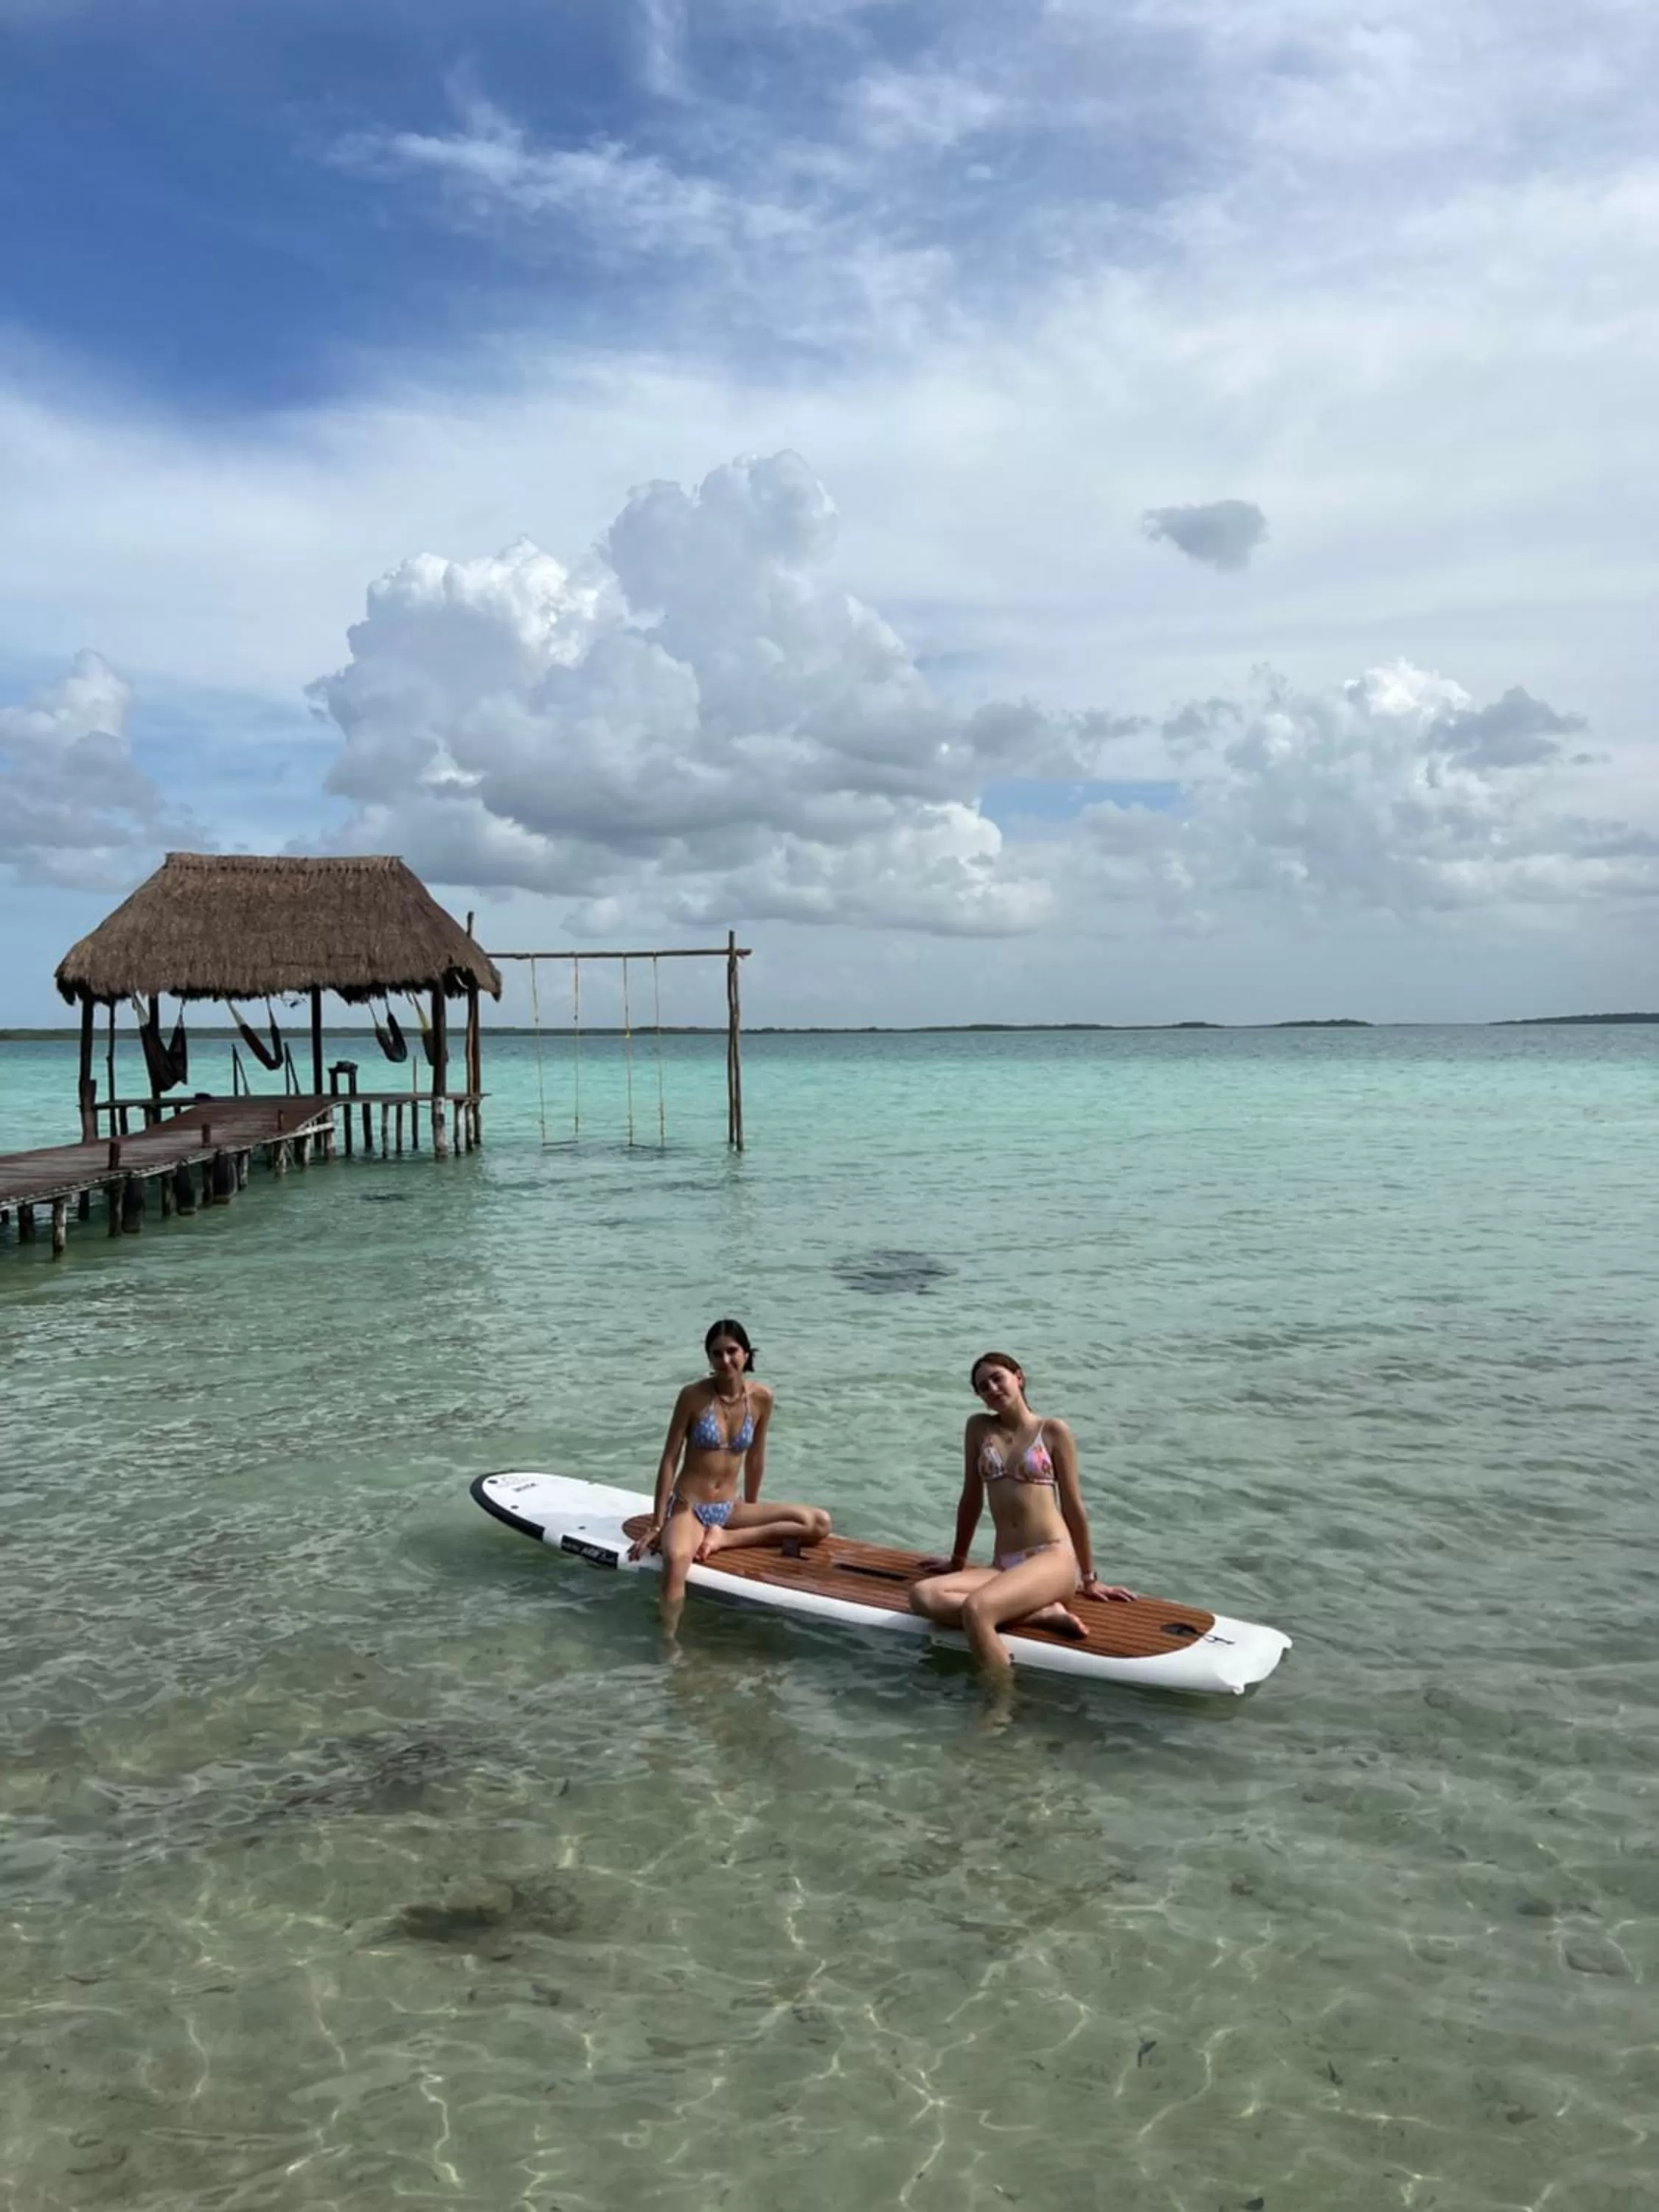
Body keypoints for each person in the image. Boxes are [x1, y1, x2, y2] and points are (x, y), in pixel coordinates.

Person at [909, 1350, 1134, 1682]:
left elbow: (1073, 1507)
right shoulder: (978, 1428)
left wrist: (1089, 1578)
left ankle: (1001, 1707)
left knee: (977, 1609)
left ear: (1019, 1377)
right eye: (983, 1386)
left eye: (997, 1378)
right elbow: (971, 1497)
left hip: (1052, 1557)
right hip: (1004, 1563)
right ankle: (1039, 1615)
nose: (992, 1389)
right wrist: (957, 1560)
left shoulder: (1053, 1431)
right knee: (923, 1595)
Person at [629, 1318, 832, 1637]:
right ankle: (669, 1643)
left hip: (729, 1508)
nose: (725, 1360)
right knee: (676, 1560)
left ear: (747, 1354)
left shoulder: (762, 1398)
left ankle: (724, 1538)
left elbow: (755, 1458)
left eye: (732, 1351)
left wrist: (751, 1509)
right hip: (689, 1507)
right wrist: (657, 1523)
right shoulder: (692, 1397)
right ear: (708, 1358)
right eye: (717, 1354)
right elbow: (669, 1460)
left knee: (819, 1523)